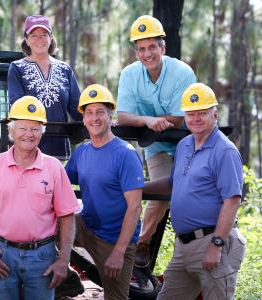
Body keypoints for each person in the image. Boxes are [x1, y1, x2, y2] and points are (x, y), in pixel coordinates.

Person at [0, 96, 80, 300]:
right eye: (22, 128)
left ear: (42, 132)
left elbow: (67, 216)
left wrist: (63, 260)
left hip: (42, 256)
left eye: (35, 128)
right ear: (11, 132)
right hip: (1, 254)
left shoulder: (54, 167)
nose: (29, 134)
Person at [144, 83, 246, 299]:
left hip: (212, 242)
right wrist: (137, 189)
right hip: (183, 246)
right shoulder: (184, 145)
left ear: (215, 114)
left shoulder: (224, 151)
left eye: (202, 113)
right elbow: (173, 183)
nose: (196, 118)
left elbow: (232, 201)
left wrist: (216, 245)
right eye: (190, 114)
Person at [117, 15, 197, 267]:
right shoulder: (129, 75)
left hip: (189, 143)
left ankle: (185, 252)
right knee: (162, 194)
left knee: (191, 195)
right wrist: (148, 121)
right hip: (157, 145)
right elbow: (122, 116)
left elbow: (177, 117)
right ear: (136, 52)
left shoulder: (182, 72)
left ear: (163, 48)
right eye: (141, 48)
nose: (147, 53)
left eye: (152, 47)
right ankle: (142, 243)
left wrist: (148, 120)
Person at [65, 84, 144, 300]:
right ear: (83, 119)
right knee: (45, 222)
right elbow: (59, 182)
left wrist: (119, 252)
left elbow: (135, 207)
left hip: (114, 238)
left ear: (111, 116)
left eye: (100, 112)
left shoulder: (125, 154)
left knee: (116, 298)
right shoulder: (81, 152)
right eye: (89, 112)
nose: (94, 118)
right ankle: (65, 278)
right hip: (86, 225)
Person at [8, 15, 82, 160]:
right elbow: (16, 106)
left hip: (58, 149)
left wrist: (100, 117)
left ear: (51, 38)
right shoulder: (17, 68)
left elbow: (78, 109)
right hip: (27, 148)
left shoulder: (64, 69)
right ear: (26, 40)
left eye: (44, 34)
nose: (39, 39)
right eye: (34, 35)